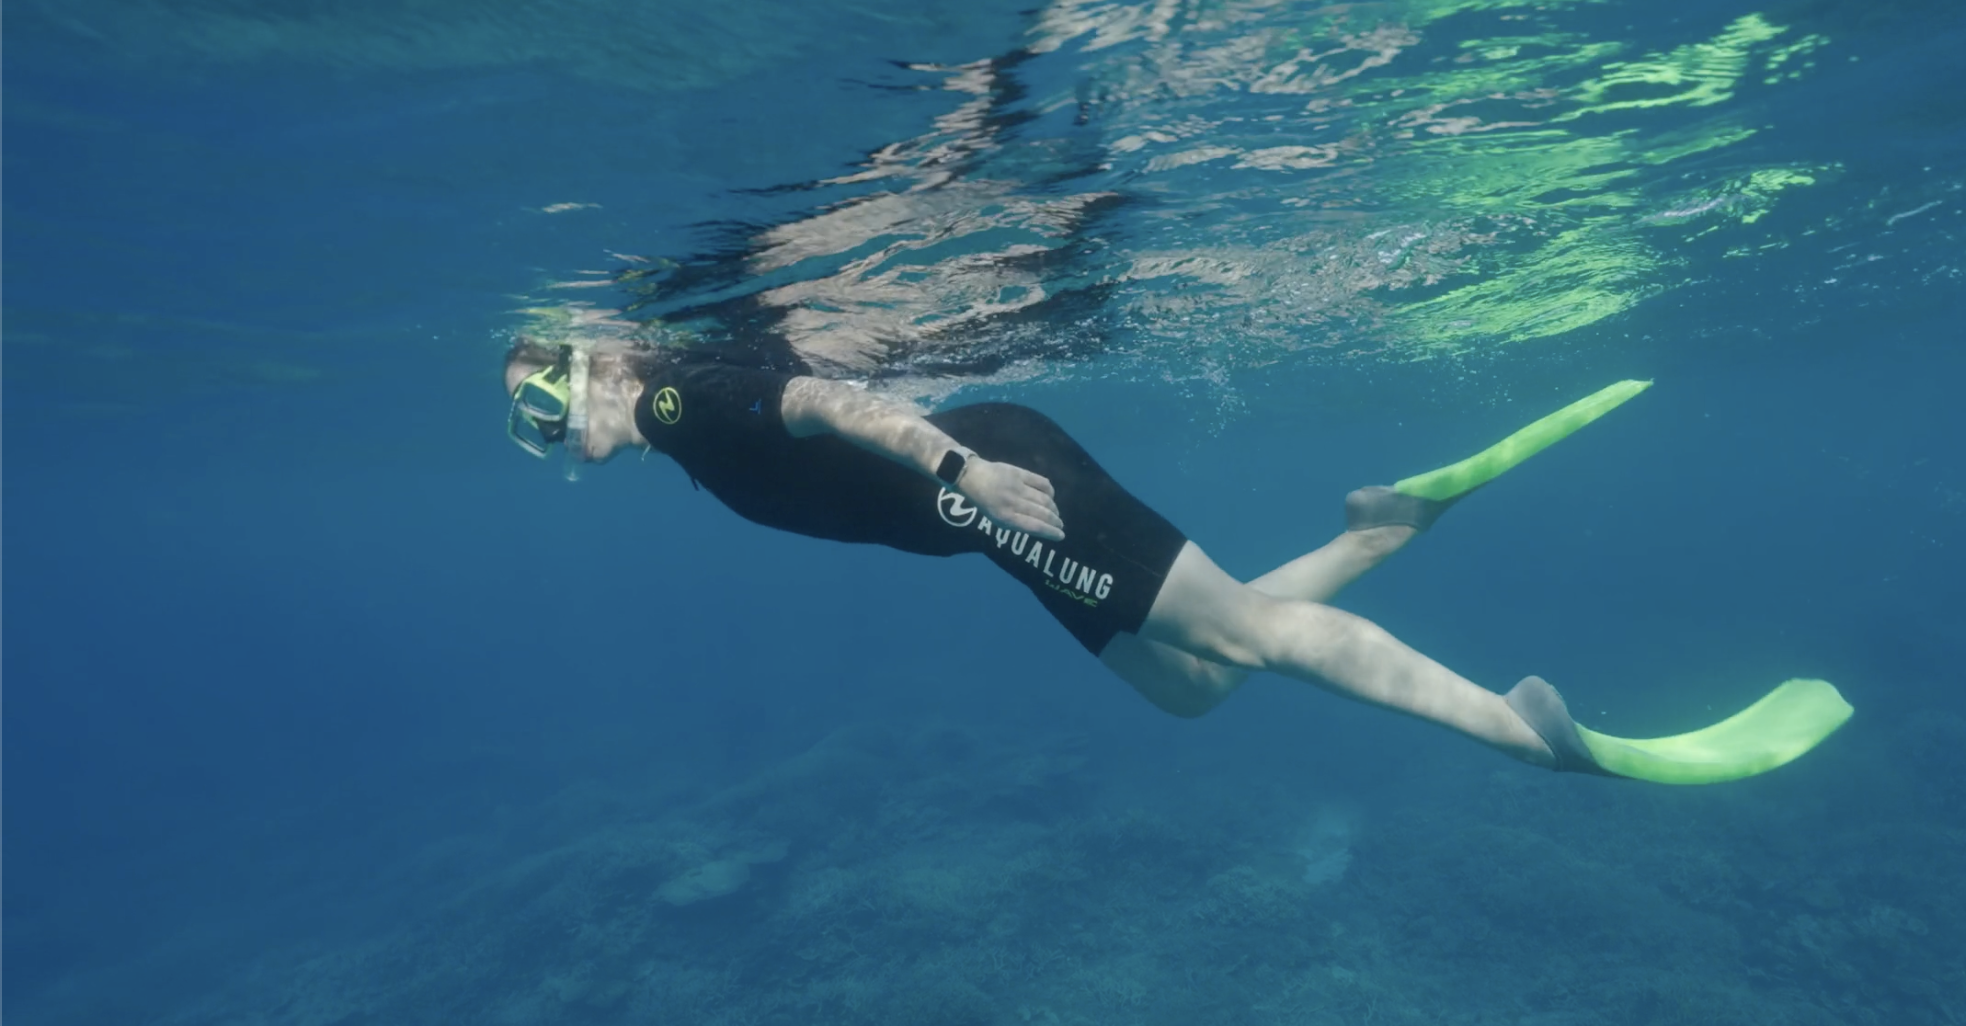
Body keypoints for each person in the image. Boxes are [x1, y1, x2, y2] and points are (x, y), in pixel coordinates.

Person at [504, 336, 1850, 781]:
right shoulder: (668, 420)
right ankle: (1378, 532)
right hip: (984, 520)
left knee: (1252, 645)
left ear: (594, 369)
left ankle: (1523, 732)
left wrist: (959, 471)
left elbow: (819, 403)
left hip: (998, 488)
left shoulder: (671, 395)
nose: (552, 435)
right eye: (531, 425)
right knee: (1191, 687)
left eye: (550, 405)